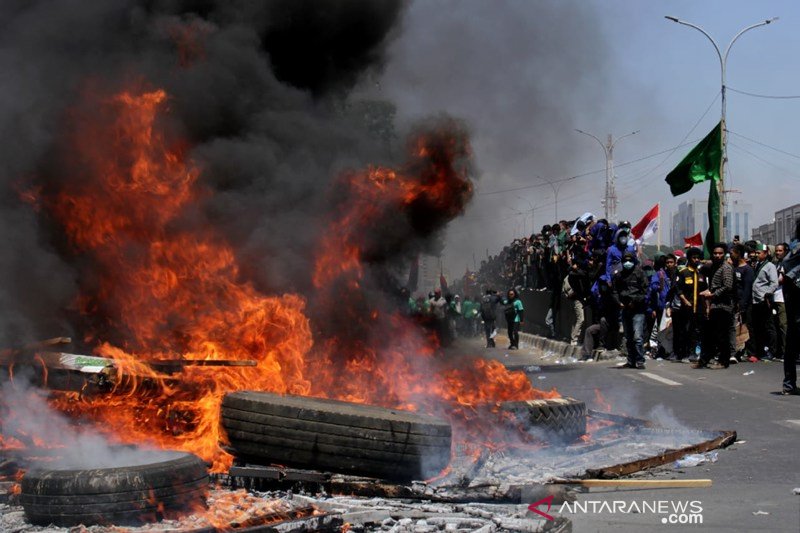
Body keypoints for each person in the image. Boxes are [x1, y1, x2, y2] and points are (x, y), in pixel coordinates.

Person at [694, 243, 735, 369]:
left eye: (720, 253)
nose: (717, 255)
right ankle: (704, 360)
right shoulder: (714, 267)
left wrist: (713, 294)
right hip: (714, 305)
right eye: (715, 253)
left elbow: (727, 286)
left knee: (722, 335)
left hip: (724, 306)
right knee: (709, 334)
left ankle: (723, 361)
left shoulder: (726, 268)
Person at [611, 250, 648, 369]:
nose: (628, 262)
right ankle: (631, 360)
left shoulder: (640, 273)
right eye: (625, 260)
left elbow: (644, 291)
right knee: (628, 337)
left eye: (630, 260)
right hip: (625, 308)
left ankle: (640, 361)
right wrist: (619, 303)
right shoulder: (619, 275)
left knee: (637, 336)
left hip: (637, 309)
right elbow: (615, 291)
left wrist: (634, 301)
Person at [670, 247, 706, 362]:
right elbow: (677, 288)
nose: (696, 260)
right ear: (690, 259)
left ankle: (692, 353)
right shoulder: (683, 272)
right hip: (685, 308)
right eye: (694, 258)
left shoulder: (700, 274)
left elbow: (704, 289)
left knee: (694, 331)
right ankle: (681, 354)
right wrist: (684, 300)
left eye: (698, 258)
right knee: (683, 331)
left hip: (698, 308)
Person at [779, 219, 800, 395]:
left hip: (792, 301)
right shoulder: (796, 249)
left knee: (792, 345)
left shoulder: (793, 248)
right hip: (795, 301)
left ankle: (789, 384)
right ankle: (788, 383)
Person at [750, 243, 779, 361]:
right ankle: (760, 350)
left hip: (764, 300)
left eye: (759, 253)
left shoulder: (770, 266)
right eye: (756, 253)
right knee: (759, 327)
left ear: (766, 253)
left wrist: (767, 293)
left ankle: (772, 351)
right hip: (756, 301)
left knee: (769, 326)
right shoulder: (757, 265)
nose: (757, 255)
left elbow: (774, 283)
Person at [730, 243, 754, 362]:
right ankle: (736, 351)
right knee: (735, 328)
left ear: (738, 254)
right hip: (733, 303)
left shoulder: (747, 269)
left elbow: (747, 288)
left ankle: (749, 352)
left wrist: (742, 304)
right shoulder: (733, 268)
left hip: (744, 304)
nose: (730, 255)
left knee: (745, 327)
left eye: (732, 253)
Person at [773, 242, 789, 361]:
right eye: (777, 251)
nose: (778, 253)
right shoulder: (778, 263)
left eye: (780, 251)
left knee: (784, 325)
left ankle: (786, 352)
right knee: (778, 325)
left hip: (783, 298)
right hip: (776, 297)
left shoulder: (787, 263)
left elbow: (781, 280)